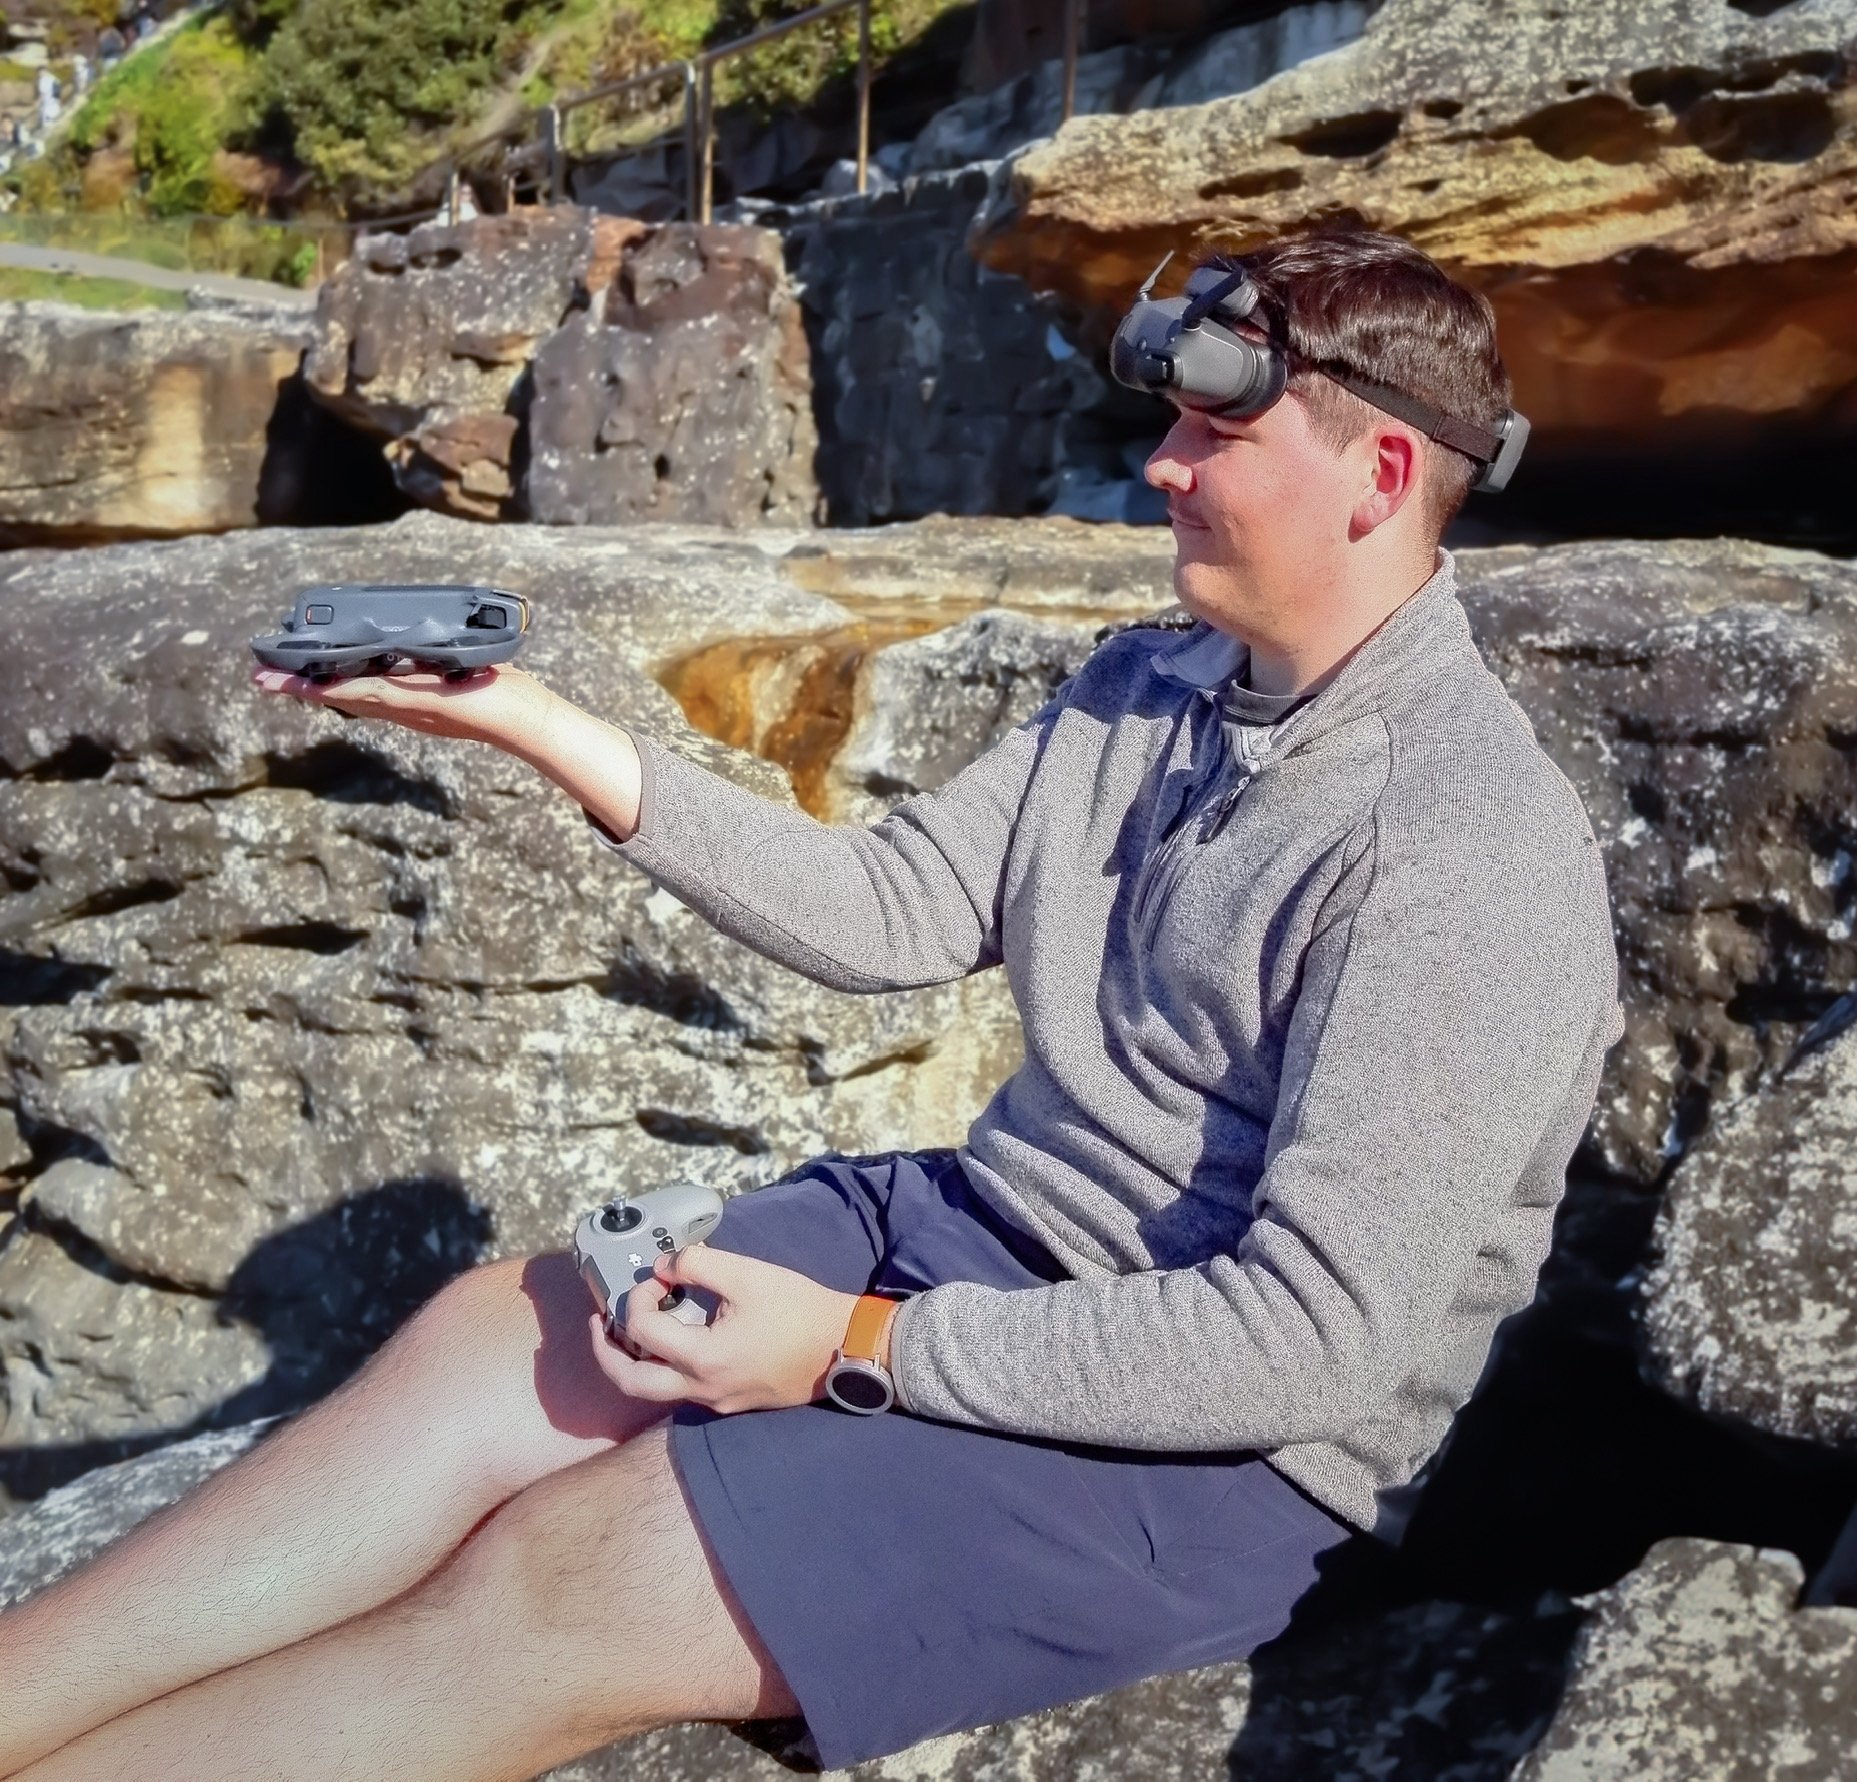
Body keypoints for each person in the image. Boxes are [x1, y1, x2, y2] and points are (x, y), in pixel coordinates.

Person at [0, 227, 1621, 1781]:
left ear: (1380, 476)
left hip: (1219, 1461)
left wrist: (852, 1348)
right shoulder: (1155, 683)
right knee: (494, 1342)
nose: (1159, 468)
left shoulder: (1461, 848)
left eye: (1210, 432)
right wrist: (541, 725)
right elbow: (895, 908)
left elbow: (1305, 1343)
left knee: (575, 1567)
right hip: (979, 1232)